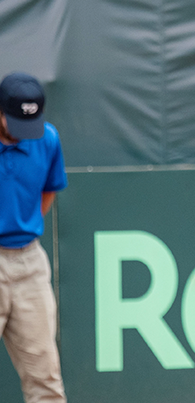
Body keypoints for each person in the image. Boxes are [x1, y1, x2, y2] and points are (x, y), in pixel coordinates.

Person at [0, 72, 68, 403]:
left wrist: (24, 224)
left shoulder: (47, 139)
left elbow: (48, 191)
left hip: (29, 265)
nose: (23, 134)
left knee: (46, 381)